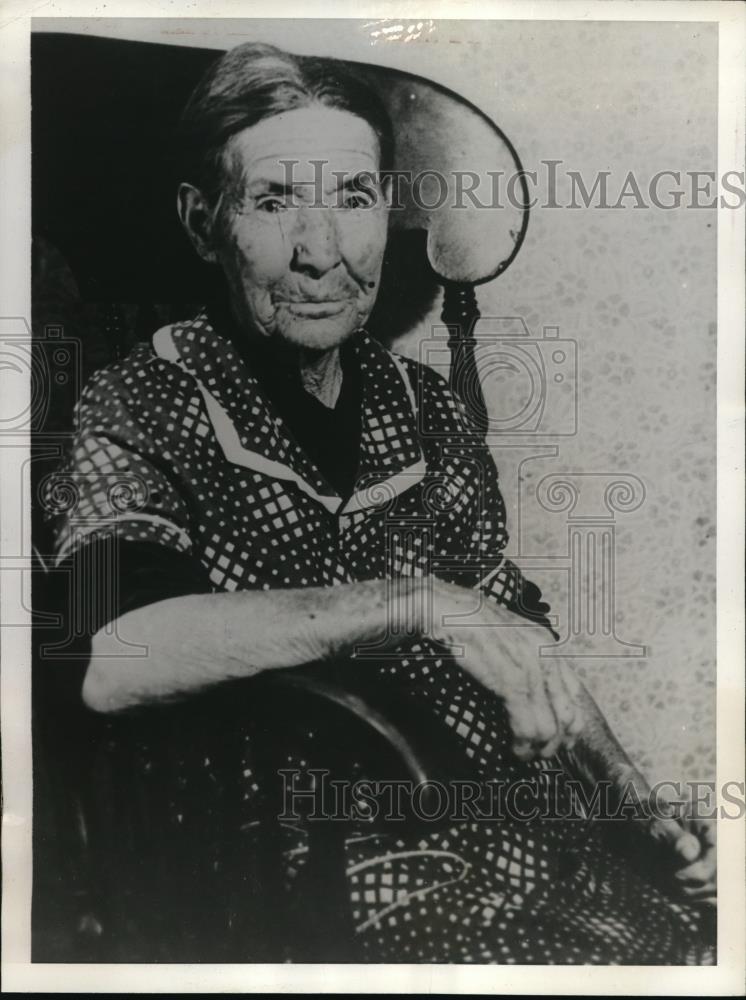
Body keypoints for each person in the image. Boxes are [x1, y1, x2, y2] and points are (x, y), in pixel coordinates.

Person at [44, 42, 715, 964]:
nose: (322, 254)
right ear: (205, 223)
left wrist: (636, 809)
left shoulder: (427, 407)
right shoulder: (144, 401)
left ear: (386, 211)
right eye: (276, 202)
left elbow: (518, 642)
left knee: (691, 938)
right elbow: (114, 658)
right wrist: (420, 605)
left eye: (352, 200)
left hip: (512, 830)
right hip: (296, 868)